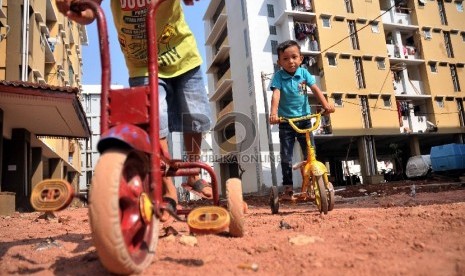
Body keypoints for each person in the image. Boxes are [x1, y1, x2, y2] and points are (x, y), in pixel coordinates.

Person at [55, 0, 212, 221]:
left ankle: (193, 173)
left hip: (182, 55)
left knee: (196, 116)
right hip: (142, 64)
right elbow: (91, 10)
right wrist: (78, 11)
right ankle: (167, 188)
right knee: (155, 120)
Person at [269, 39, 335, 199]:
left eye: (294, 57)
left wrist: (326, 105)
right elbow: (276, 94)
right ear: (279, 62)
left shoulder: (304, 73)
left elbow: (315, 89)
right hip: (286, 122)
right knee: (286, 156)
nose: (290, 61)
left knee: (310, 153)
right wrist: (273, 113)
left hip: (305, 120)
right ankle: (288, 188)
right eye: (285, 59)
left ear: (300, 59)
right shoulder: (278, 76)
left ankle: (313, 187)